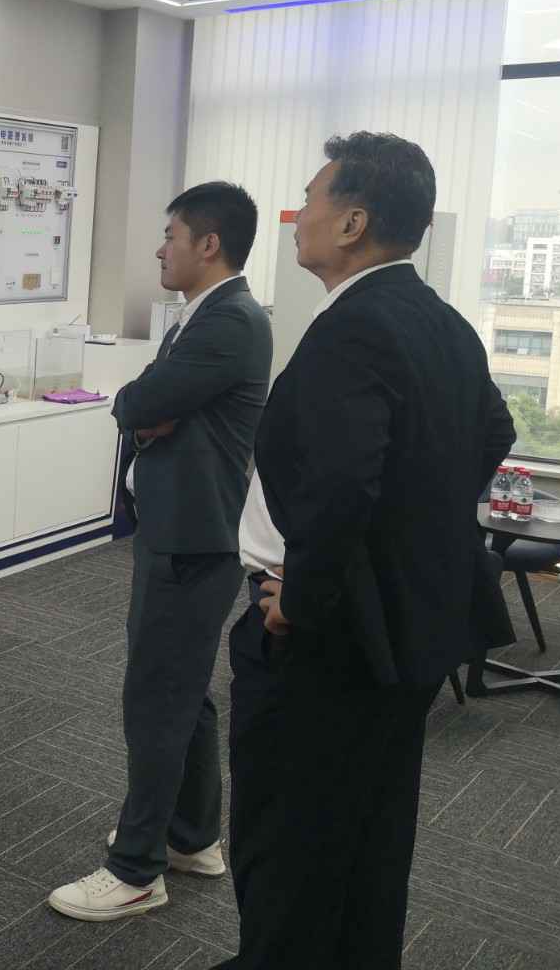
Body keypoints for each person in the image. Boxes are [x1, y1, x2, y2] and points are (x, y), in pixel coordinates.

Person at [215, 133, 515, 969]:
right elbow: (492, 431)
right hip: (405, 628)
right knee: (371, 832)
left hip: (328, 638)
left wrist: (302, 600)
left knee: (290, 842)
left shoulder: (352, 330)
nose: (298, 216)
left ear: (352, 223)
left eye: (311, 199)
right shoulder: (442, 321)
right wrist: (413, 535)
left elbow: (344, 485)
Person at [50, 182, 271, 922]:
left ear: (209, 243)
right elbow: (148, 401)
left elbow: (136, 403)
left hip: (193, 538)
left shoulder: (230, 320)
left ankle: (137, 869)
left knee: (155, 698)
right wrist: (148, 409)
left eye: (170, 235)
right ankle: (192, 836)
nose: (158, 249)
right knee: (183, 692)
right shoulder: (207, 314)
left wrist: (144, 410)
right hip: (188, 529)